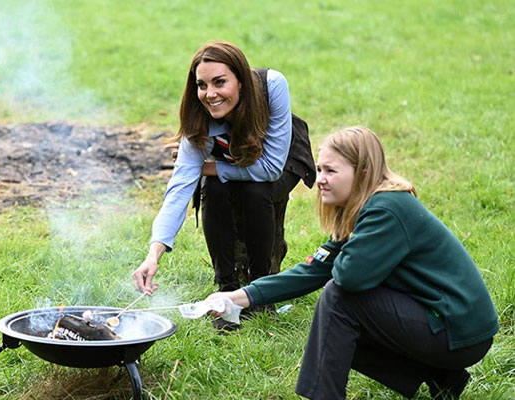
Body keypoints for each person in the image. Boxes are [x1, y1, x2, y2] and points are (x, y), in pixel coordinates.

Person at [205, 126, 499, 399]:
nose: (319, 179)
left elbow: (347, 277)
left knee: (338, 301)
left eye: (331, 171)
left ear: (363, 173)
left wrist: (341, 245)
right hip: (450, 327)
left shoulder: (386, 209)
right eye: (320, 169)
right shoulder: (368, 207)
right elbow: (315, 268)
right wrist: (238, 298)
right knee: (335, 328)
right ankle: (440, 377)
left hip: (457, 330)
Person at [132, 41, 313, 324]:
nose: (210, 94)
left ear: (240, 81)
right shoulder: (198, 121)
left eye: (219, 82)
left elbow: (269, 168)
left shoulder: (271, 85)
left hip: (281, 160)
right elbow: (179, 189)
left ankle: (260, 291)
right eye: (202, 85)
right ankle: (227, 291)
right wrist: (153, 254)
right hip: (230, 156)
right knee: (213, 188)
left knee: (254, 191)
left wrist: (210, 167)